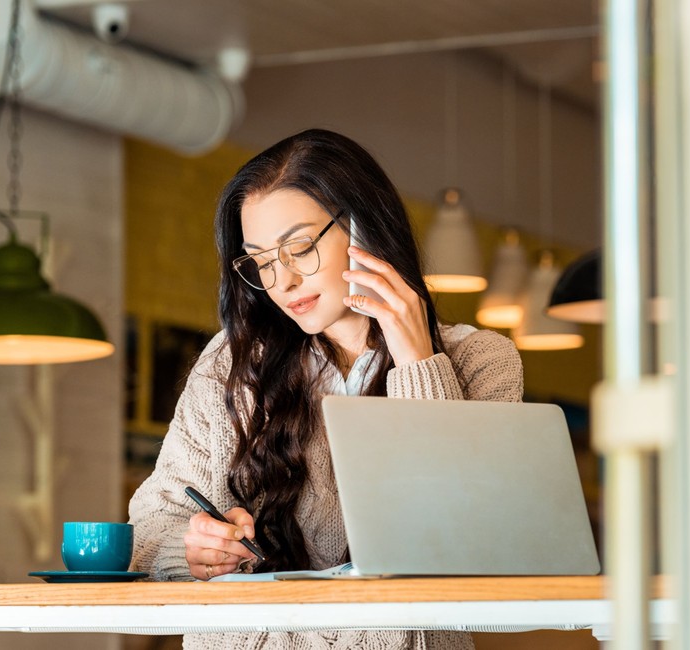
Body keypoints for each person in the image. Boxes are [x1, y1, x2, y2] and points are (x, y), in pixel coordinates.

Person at [129, 128, 524, 649]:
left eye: (299, 247)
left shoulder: (482, 360)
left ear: (367, 229)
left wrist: (417, 361)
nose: (283, 282)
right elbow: (150, 528)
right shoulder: (232, 363)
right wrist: (194, 550)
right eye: (262, 261)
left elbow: (462, 546)